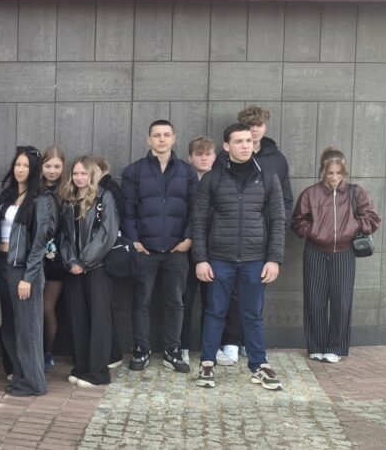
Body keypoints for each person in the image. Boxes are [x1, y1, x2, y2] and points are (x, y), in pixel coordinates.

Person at [193, 123, 285, 391]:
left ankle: (259, 366)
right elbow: (198, 221)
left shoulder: (267, 177)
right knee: (215, 312)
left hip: (255, 259)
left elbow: (278, 220)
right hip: (219, 258)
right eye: (239, 141)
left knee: (252, 315)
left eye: (248, 141)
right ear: (226, 146)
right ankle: (207, 363)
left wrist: (274, 259)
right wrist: (201, 259)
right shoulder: (212, 179)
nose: (245, 145)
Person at [213, 105, 293, 366]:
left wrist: (277, 229)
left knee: (255, 294)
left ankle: (251, 343)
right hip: (230, 238)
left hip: (262, 238)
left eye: (258, 125)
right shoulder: (224, 158)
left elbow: (286, 198)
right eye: (249, 126)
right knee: (230, 295)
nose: (254, 130)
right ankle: (231, 341)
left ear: (265, 127)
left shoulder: (277, 159)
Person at [121, 120, 197, 374]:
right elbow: (128, 211)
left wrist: (188, 238)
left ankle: (172, 350)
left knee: (176, 302)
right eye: (156, 135)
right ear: (149, 140)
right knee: (141, 301)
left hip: (177, 250)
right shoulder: (134, 171)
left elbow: (196, 210)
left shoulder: (187, 172)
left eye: (166, 135)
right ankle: (141, 349)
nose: (161, 139)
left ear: (174, 138)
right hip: (145, 250)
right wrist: (134, 240)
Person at [292, 148, 381, 363]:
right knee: (315, 300)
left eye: (338, 173)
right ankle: (316, 346)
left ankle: (336, 348)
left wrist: (351, 226)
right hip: (315, 252)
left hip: (344, 252)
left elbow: (372, 219)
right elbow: (297, 222)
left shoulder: (356, 192)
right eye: (330, 173)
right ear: (322, 171)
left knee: (341, 300)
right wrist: (315, 232)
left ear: (344, 172)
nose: (334, 177)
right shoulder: (310, 194)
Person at [0, 146, 55, 397]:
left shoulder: (42, 200)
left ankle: (34, 384)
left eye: (26, 166)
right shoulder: (7, 196)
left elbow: (40, 242)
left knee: (28, 328)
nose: (20, 170)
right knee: (10, 327)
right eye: (17, 164)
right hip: (1, 264)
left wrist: (28, 277)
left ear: (34, 171)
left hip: (22, 269)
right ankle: (20, 377)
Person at [59, 156, 119, 387]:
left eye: (84, 173)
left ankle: (98, 372)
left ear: (92, 174)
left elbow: (107, 234)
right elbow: (63, 236)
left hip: (97, 268)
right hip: (74, 269)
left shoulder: (105, 197)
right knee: (78, 319)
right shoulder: (68, 199)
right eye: (75, 173)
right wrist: (71, 261)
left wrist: (84, 262)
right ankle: (82, 367)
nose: (79, 177)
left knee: (99, 320)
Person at [179, 136, 217, 364]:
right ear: (190, 158)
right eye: (199, 154)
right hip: (187, 249)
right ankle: (182, 346)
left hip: (215, 250)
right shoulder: (183, 181)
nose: (204, 158)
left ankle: (210, 348)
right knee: (184, 300)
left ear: (215, 156)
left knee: (212, 302)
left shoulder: (221, 180)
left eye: (208, 154)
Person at [90, 155, 126, 370]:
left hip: (104, 257)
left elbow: (112, 226)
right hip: (97, 257)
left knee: (103, 308)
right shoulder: (96, 190)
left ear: (103, 170)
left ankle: (111, 354)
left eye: (93, 170)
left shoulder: (109, 190)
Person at [39, 146, 67, 372]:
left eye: (57, 166)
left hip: (56, 259)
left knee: (47, 308)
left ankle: (46, 352)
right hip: (33, 255)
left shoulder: (67, 192)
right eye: (48, 165)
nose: (52, 170)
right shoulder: (34, 190)